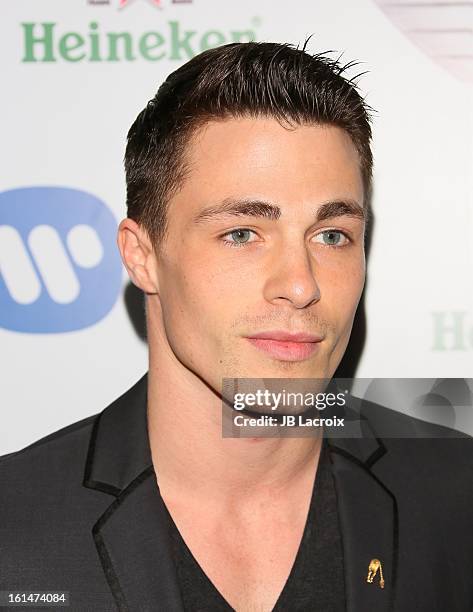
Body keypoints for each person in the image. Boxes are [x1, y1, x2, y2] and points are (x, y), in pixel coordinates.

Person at [1, 41, 472, 612]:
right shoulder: (15, 522)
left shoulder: (456, 494)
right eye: (242, 233)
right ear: (141, 255)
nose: (301, 285)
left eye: (332, 236)